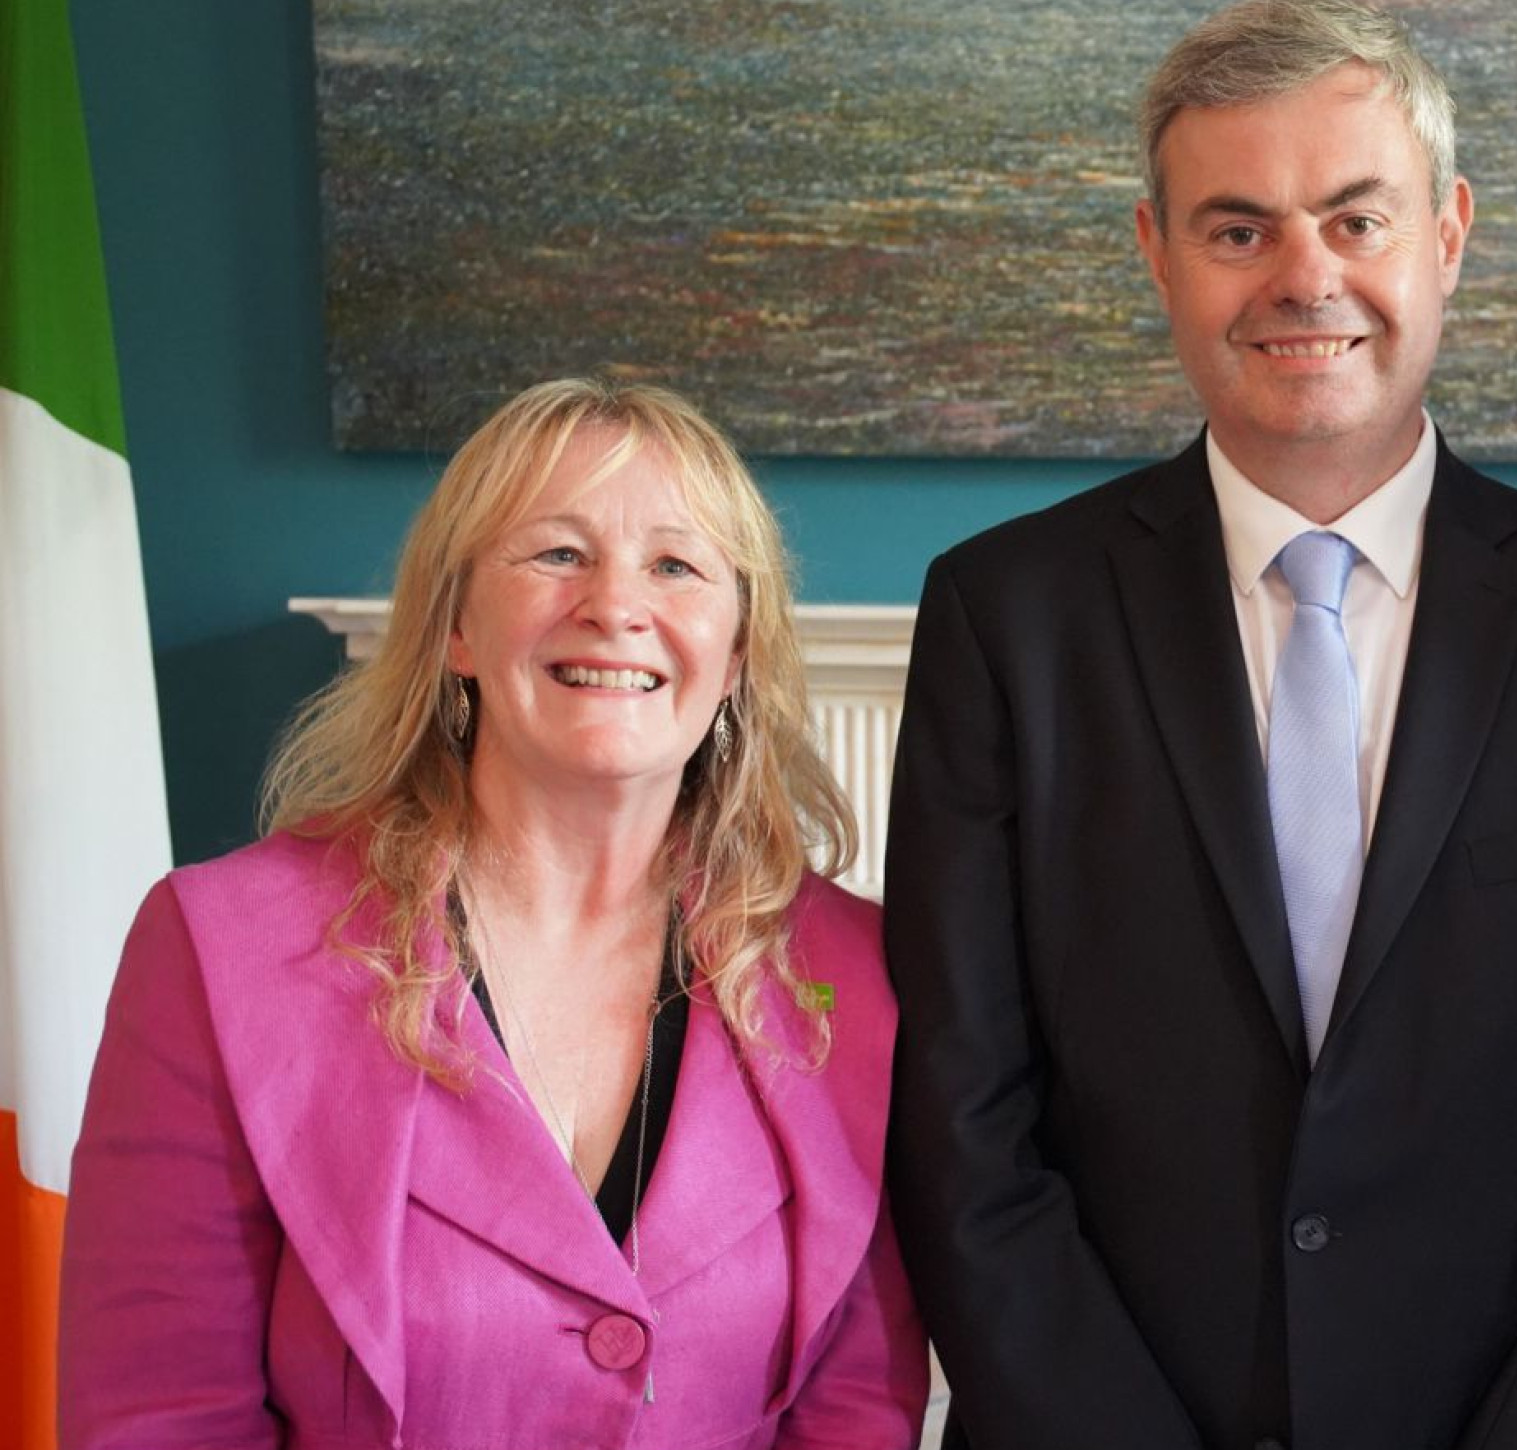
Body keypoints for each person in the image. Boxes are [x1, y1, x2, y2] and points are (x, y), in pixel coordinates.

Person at [881, 3, 1517, 1447]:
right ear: (1155, 253)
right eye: (1237, 231)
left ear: (1447, 230)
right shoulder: (1002, 617)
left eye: (1355, 219)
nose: (1304, 277)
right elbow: (963, 1127)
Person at [59, 380, 929, 1448]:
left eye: (676, 565)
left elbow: (852, 1413)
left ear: (738, 652)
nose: (615, 604)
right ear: (458, 627)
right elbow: (158, 1413)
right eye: (556, 553)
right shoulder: (219, 944)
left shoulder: (862, 972)